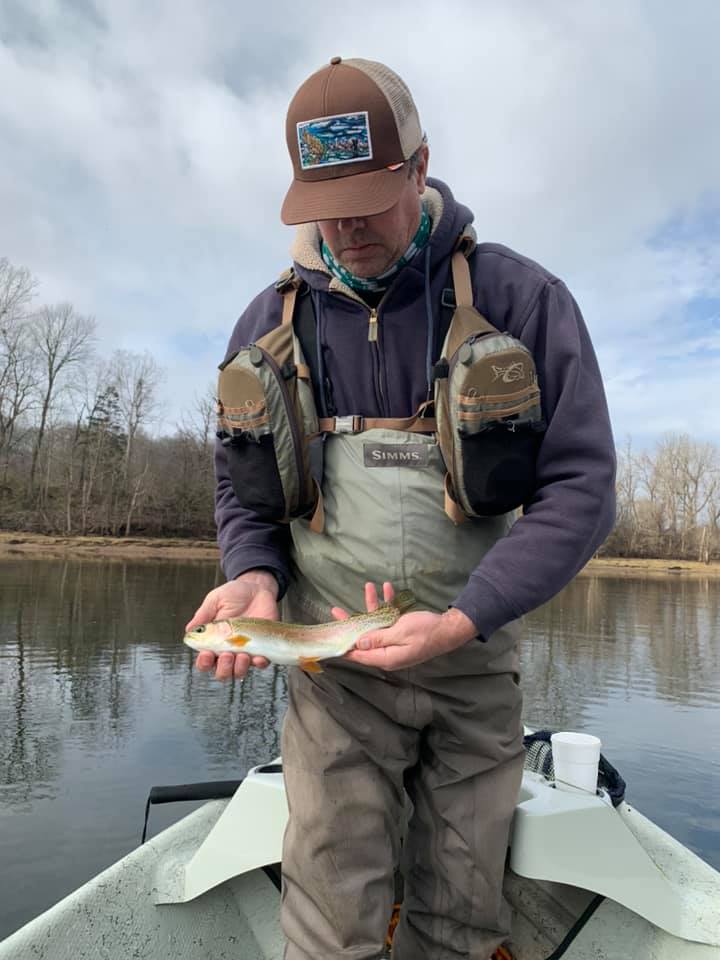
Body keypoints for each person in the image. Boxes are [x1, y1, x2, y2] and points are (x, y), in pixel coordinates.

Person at [187, 57, 616, 960]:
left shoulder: (523, 299)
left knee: (460, 919)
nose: (345, 227)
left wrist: (463, 619)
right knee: (329, 922)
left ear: (421, 169)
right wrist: (253, 577)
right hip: (333, 679)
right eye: (324, 206)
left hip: (473, 662)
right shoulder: (267, 324)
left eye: (368, 200)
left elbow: (582, 487)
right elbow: (241, 487)